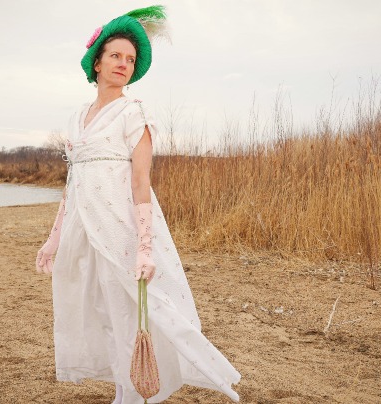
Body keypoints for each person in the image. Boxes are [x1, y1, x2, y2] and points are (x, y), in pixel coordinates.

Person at [35, 6, 240, 403]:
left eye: (130, 59)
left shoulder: (135, 113)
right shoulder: (78, 117)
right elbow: (72, 183)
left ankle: (135, 396)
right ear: (96, 62)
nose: (123, 64)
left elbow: (141, 181)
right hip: (84, 230)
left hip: (122, 230)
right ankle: (121, 391)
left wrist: (145, 248)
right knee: (101, 313)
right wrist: (53, 239)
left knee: (132, 314)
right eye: (115, 56)